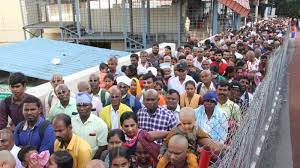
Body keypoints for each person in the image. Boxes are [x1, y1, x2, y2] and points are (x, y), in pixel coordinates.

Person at [158, 107, 222, 168]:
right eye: (184, 123)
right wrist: (161, 153)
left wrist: (212, 140)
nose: (186, 126)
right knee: (162, 161)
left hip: (190, 151)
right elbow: (166, 142)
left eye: (189, 123)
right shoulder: (175, 130)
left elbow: (205, 136)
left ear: (195, 120)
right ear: (180, 121)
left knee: (193, 161)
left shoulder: (196, 130)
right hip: (174, 151)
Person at [71, 92, 108, 158]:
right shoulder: (71, 122)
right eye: (79, 105)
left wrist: (92, 162)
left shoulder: (100, 124)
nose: (82, 108)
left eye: (85, 105)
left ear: (91, 106)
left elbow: (102, 147)